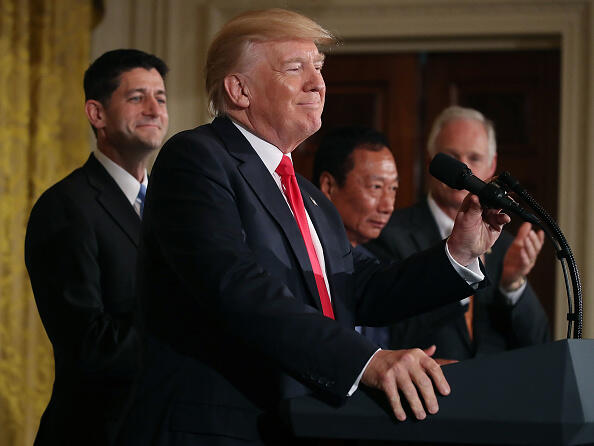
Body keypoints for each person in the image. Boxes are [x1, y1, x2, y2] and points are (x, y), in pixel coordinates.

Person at [119, 10, 509, 445]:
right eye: (295, 68)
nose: (318, 84)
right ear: (239, 89)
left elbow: (359, 286)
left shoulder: (308, 198)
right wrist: (369, 362)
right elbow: (236, 287)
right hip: (214, 429)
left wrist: (458, 252)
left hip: (297, 424)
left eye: (319, 69)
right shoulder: (197, 159)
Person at [24, 49, 169, 445]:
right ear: (97, 114)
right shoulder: (66, 206)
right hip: (99, 431)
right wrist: (190, 337)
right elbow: (88, 343)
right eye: (137, 97)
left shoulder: (172, 206)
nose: (154, 109)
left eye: (161, 97)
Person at [366, 105, 551, 360]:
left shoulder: (507, 246)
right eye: (452, 157)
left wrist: (512, 285)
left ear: (492, 166)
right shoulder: (389, 234)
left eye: (474, 158)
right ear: (433, 162)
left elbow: (539, 344)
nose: (463, 169)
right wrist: (457, 266)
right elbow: (384, 333)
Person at [313, 126, 398, 348]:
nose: (388, 206)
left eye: (393, 189)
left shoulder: (377, 261)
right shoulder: (303, 257)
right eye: (376, 187)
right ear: (329, 186)